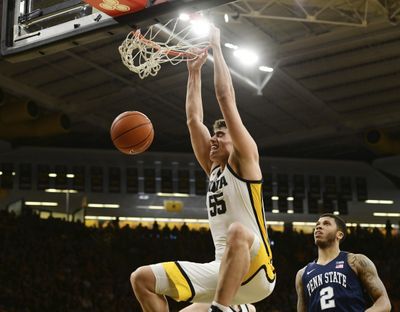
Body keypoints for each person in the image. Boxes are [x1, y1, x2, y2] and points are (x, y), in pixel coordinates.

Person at [130, 24, 276, 312]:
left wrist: (217, 49)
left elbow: (225, 99)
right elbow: (193, 120)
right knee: (141, 279)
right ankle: (234, 307)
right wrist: (193, 73)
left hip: (257, 269)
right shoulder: (214, 171)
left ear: (236, 141)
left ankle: (221, 309)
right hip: (222, 271)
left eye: (220, 135)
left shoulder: (245, 161)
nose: (213, 138)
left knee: (238, 231)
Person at [295, 213, 391, 312]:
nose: (319, 227)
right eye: (317, 225)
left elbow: (383, 301)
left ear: (339, 234)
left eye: (326, 224)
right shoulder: (302, 274)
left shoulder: (356, 261)